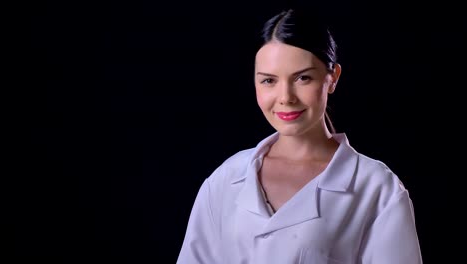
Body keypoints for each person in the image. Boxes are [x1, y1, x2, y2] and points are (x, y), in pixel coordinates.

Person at [177, 7, 423, 264]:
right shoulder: (226, 179)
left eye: (303, 78)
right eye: (269, 81)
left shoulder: (376, 188)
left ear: (332, 77)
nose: (285, 98)